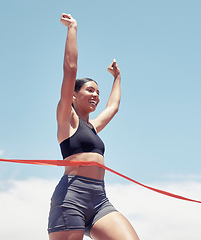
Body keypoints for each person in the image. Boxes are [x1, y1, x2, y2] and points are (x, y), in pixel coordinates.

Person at [48, 13, 140, 240]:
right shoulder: (67, 119)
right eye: (90, 90)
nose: (96, 95)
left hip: (99, 200)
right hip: (71, 199)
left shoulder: (93, 127)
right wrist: (72, 28)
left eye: (98, 92)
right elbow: (70, 69)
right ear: (73, 95)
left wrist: (117, 78)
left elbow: (113, 108)